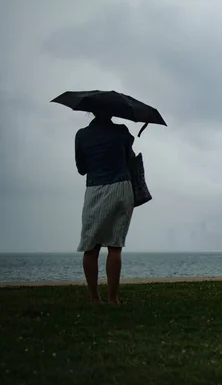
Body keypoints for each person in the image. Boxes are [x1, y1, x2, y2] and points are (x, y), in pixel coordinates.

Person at [75, 111, 135, 305]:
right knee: (115, 246)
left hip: (95, 188)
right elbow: (129, 159)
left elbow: (81, 168)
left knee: (91, 247)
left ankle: (94, 297)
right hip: (121, 188)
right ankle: (113, 298)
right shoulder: (122, 131)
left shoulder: (82, 135)